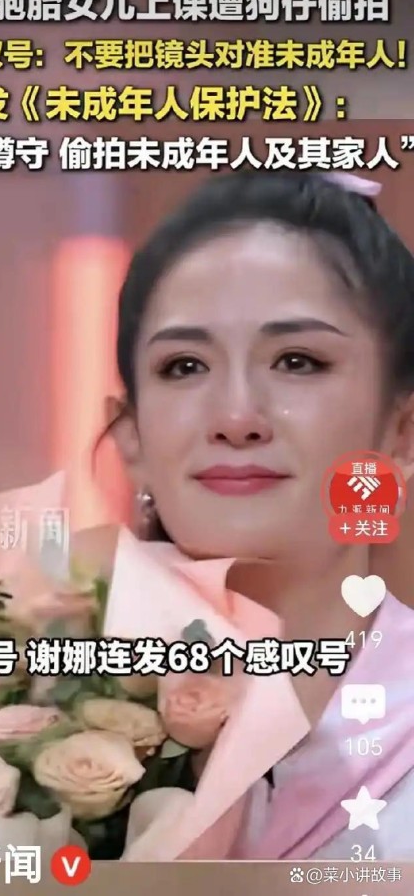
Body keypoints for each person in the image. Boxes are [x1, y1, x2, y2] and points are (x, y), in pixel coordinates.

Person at [80, 169, 414, 859]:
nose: (235, 417)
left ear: (402, 432)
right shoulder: (16, 705)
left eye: (297, 360)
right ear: (132, 437)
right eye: (183, 366)